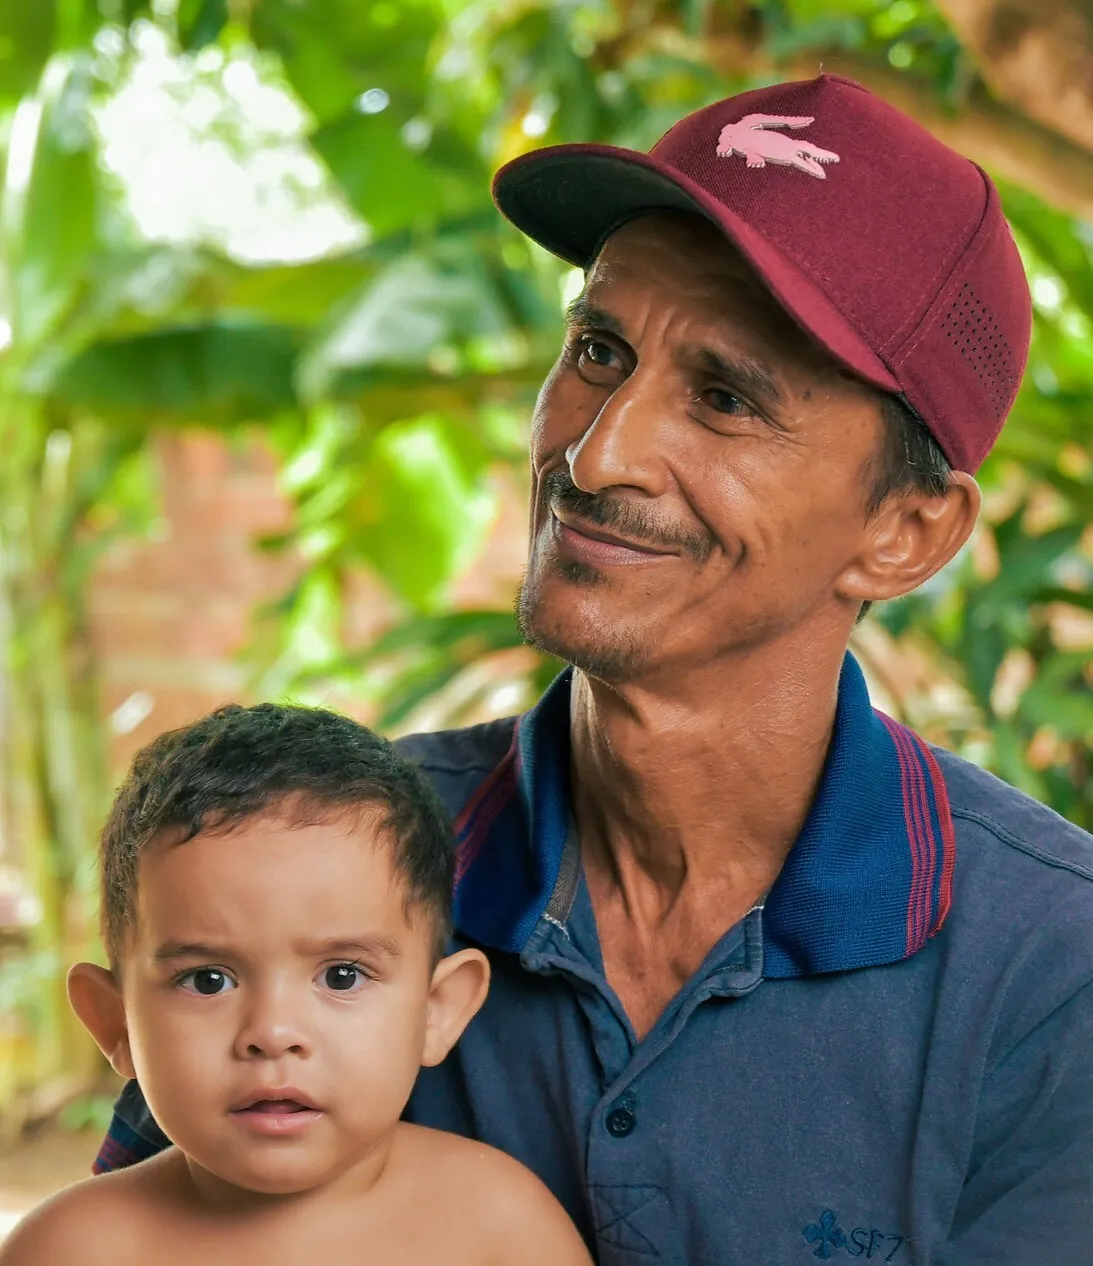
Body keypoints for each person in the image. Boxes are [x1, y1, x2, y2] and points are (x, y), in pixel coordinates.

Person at [96, 74, 1093, 1264]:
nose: (599, 448)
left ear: (906, 533)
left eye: (724, 398)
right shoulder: (309, 870)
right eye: (599, 348)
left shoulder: (1053, 972)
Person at [0, 705, 593, 1266]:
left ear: (436, 1011)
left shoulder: (500, 1230)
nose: (273, 1033)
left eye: (342, 975)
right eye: (207, 980)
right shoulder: (70, 1251)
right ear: (115, 1022)